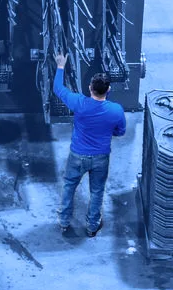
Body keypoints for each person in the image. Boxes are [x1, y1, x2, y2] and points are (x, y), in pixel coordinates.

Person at [53, 54, 126, 237]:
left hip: (77, 155)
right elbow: (120, 131)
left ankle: (63, 222)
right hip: (101, 157)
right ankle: (92, 226)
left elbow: (58, 89)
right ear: (108, 89)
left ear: (90, 88)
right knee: (97, 191)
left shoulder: (79, 103)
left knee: (69, 185)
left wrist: (61, 66)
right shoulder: (116, 110)